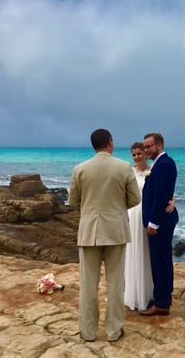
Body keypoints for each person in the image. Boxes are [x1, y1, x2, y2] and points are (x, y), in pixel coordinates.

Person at [69, 129, 141, 342]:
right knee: (116, 283)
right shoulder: (124, 167)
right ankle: (113, 331)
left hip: (89, 230)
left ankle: (88, 331)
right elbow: (135, 199)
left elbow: (74, 201)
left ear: (94, 145)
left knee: (88, 285)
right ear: (110, 142)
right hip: (116, 230)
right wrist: (117, 208)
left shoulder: (79, 169)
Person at [125, 142, 176, 311]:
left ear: (146, 154)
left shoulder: (153, 169)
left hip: (149, 214)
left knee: (150, 256)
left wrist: (173, 201)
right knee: (135, 252)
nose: (137, 157)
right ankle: (136, 293)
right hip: (134, 214)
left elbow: (163, 190)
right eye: (134, 154)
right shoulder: (129, 172)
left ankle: (152, 293)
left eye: (140, 153)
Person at [139, 133, 179, 316]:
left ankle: (161, 303)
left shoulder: (163, 164)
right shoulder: (162, 164)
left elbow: (160, 196)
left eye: (149, 146)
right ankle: (164, 297)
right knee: (163, 260)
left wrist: (153, 222)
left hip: (160, 223)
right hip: (162, 220)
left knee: (159, 261)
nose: (146, 150)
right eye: (145, 147)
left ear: (160, 145)